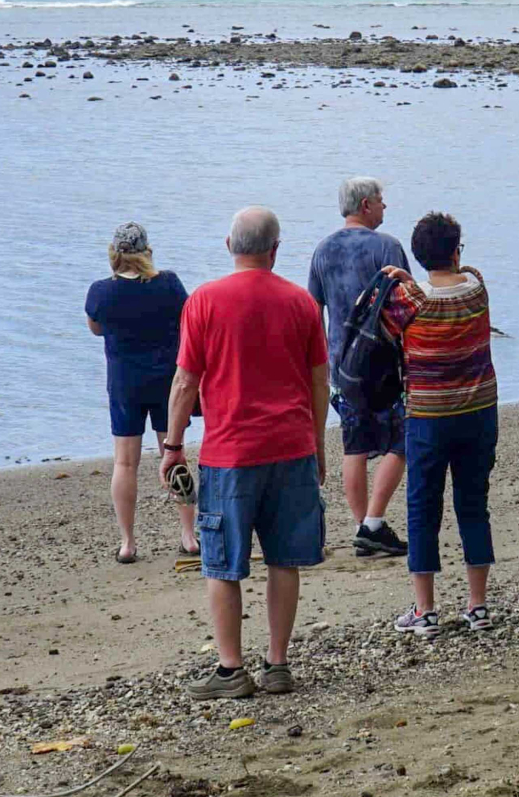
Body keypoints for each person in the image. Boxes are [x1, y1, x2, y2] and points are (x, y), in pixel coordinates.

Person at [160, 207, 329, 699]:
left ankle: (231, 669)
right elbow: (319, 381)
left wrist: (173, 446)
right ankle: (277, 662)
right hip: (291, 446)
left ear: (228, 244)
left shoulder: (204, 302)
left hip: (230, 453)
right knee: (284, 559)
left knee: (222, 562)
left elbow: (186, 380)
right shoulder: (300, 303)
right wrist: (317, 444)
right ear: (275, 250)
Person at [378, 212, 498, 637]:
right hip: (479, 412)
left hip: (428, 416)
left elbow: (386, 330)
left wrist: (402, 280)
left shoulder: (410, 300)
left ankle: (425, 609)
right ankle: (478, 605)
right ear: (455, 250)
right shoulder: (477, 290)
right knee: (473, 504)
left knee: (423, 507)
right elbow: (466, 270)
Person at [308, 176, 410, 557]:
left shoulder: (323, 250)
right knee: (402, 440)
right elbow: (407, 303)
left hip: (342, 365)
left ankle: (362, 524)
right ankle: (372, 522)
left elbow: (313, 309)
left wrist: (322, 359)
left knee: (355, 444)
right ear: (366, 205)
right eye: (381, 201)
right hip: (382, 361)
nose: (385, 207)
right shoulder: (387, 247)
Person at [85, 222, 198, 564]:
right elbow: (188, 320)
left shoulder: (101, 292)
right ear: (147, 251)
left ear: (115, 255)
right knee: (174, 454)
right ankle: (189, 536)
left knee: (125, 462)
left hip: (124, 383)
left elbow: (96, 328)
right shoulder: (169, 284)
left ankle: (128, 542)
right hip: (167, 381)